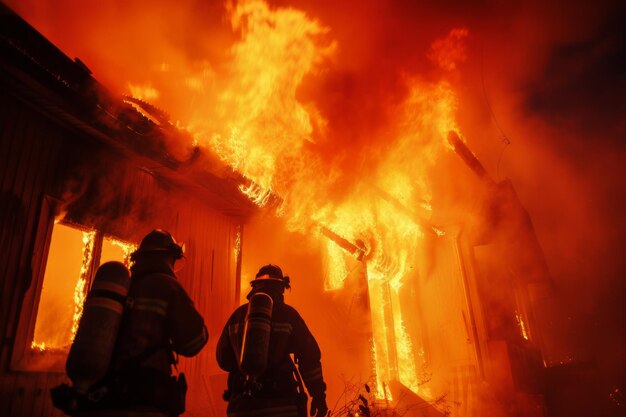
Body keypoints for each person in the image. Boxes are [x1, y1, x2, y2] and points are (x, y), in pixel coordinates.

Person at [95, 229, 208, 416]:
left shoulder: (121, 287)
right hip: (142, 399)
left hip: (102, 396)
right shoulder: (167, 286)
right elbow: (193, 342)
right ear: (169, 257)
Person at [216, 264, 328, 417]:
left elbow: (223, 360)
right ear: (281, 288)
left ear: (255, 286)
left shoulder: (237, 316)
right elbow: (309, 359)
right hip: (281, 406)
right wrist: (318, 396)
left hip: (242, 407)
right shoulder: (288, 315)